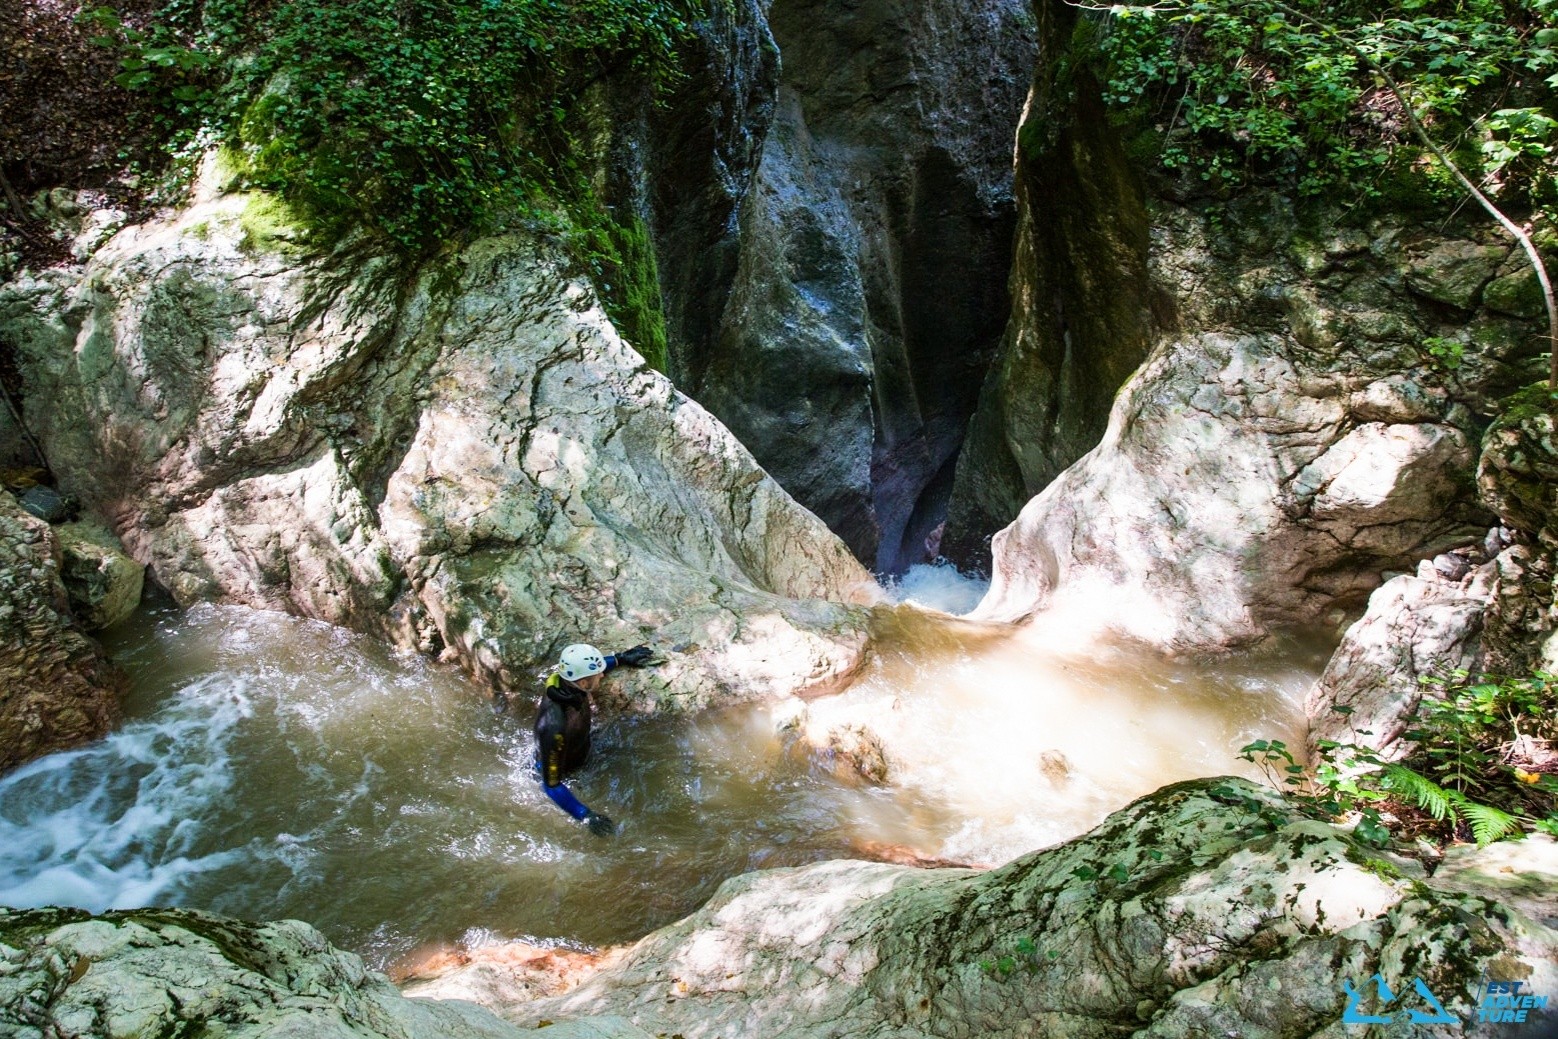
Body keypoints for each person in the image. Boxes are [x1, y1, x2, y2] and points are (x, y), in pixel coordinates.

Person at [534, 642, 654, 836]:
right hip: (566, 770)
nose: (601, 675)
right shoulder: (554, 728)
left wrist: (620, 658)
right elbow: (551, 784)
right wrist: (585, 814)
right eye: (597, 674)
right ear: (582, 683)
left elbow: (587, 669)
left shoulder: (561, 682)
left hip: (582, 747)